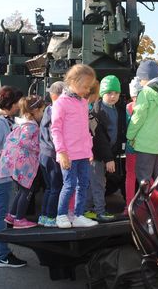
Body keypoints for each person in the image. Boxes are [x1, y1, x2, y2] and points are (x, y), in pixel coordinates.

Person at [0, 86, 26, 268]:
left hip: (3, 173)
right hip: (1, 175)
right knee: (0, 214)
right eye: (17, 103)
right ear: (10, 103)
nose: (18, 106)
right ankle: (3, 255)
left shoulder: (4, 120)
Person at [52, 64, 99, 229]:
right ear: (73, 81)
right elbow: (56, 130)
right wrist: (61, 152)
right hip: (68, 154)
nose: (87, 90)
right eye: (85, 86)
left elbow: (85, 129)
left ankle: (78, 215)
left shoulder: (83, 103)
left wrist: (89, 149)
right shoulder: (61, 103)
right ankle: (61, 215)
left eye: (89, 87)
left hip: (83, 153)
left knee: (83, 183)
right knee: (69, 184)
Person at [0, 95, 46, 229]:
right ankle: (19, 219)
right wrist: (39, 147)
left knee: (22, 190)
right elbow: (25, 141)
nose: (42, 114)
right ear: (35, 110)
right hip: (24, 164)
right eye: (42, 111)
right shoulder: (30, 126)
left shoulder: (23, 122)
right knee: (28, 190)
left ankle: (12, 215)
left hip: (17, 163)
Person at [127, 60, 158, 184]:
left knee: (144, 180)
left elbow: (138, 117)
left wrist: (129, 136)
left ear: (145, 77)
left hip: (146, 145)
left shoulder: (145, 93)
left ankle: (141, 203)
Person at [86, 75, 126, 222]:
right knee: (98, 183)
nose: (113, 96)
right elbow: (99, 138)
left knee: (94, 183)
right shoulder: (97, 112)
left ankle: (87, 209)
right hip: (97, 154)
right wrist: (109, 158)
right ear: (102, 93)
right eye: (109, 93)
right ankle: (99, 211)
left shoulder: (118, 110)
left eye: (116, 93)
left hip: (109, 153)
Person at [38, 81, 67, 228]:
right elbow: (55, 135)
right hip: (52, 154)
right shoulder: (56, 110)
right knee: (56, 187)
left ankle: (43, 216)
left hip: (43, 154)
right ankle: (51, 217)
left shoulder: (48, 109)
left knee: (49, 187)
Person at [124, 77, 142, 209]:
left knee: (137, 176)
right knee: (133, 176)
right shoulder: (129, 107)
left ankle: (151, 203)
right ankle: (129, 204)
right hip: (137, 147)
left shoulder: (128, 107)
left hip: (138, 146)